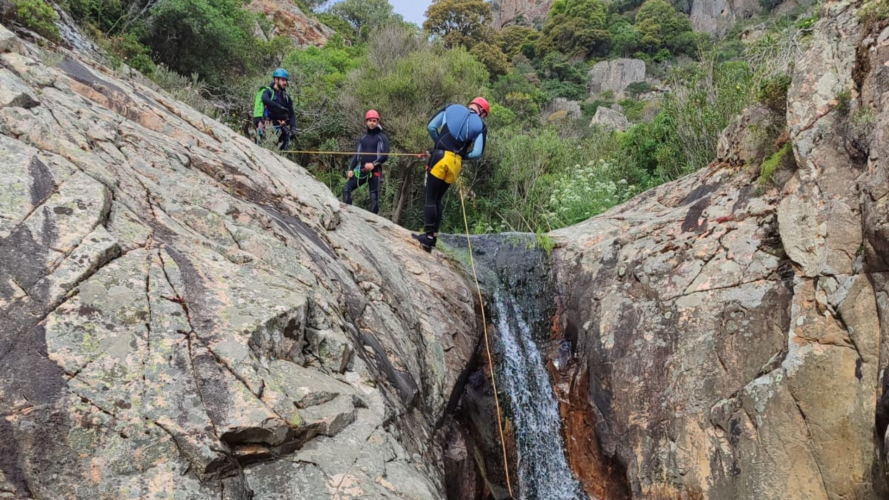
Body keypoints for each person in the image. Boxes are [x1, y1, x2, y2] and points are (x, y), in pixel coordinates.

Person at [412, 97, 490, 252]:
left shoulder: (451, 107)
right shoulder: (481, 126)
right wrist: (461, 155)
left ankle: (428, 237)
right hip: (456, 164)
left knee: (431, 197)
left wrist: (438, 145)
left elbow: (431, 127)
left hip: (440, 158)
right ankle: (433, 236)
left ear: (473, 104)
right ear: (482, 112)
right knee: (438, 199)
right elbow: (476, 153)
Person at [343, 110, 390, 214]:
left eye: (374, 121)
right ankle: (348, 215)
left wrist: (373, 164)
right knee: (346, 189)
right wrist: (351, 169)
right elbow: (357, 156)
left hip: (375, 171)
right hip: (363, 171)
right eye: (369, 121)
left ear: (378, 122)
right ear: (366, 122)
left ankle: (374, 224)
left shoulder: (382, 138)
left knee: (374, 198)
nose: (371, 123)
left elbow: (385, 155)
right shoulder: (363, 138)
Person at [252, 68, 297, 150]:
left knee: (283, 153)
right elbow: (265, 99)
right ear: (276, 79)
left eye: (286, 81)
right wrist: (280, 107)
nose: (285, 83)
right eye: (283, 80)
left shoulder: (286, 97)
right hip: (268, 128)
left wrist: (293, 128)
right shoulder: (268, 91)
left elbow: (292, 114)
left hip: (282, 129)